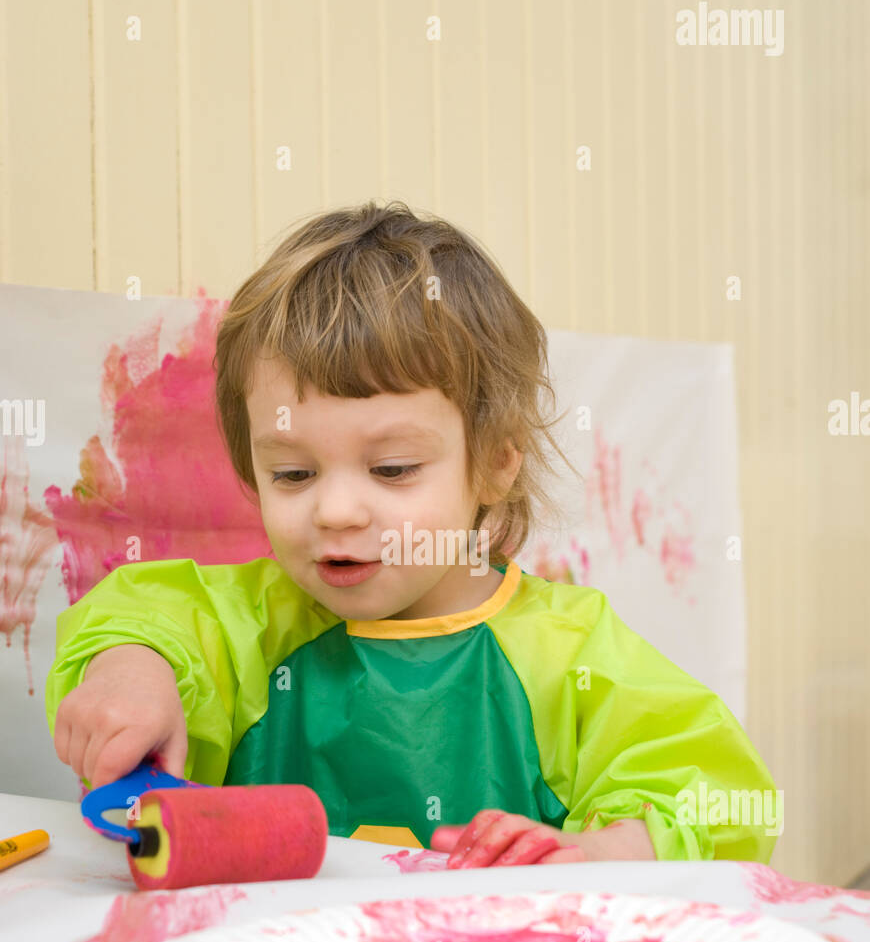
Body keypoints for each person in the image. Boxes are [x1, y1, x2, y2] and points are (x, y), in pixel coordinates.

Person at [45, 200, 780, 868]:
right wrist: (131, 672)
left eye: (391, 469)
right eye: (293, 475)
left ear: (494, 462)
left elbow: (715, 791)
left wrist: (604, 851)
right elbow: (143, 614)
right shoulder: (250, 626)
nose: (335, 512)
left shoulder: (569, 655)